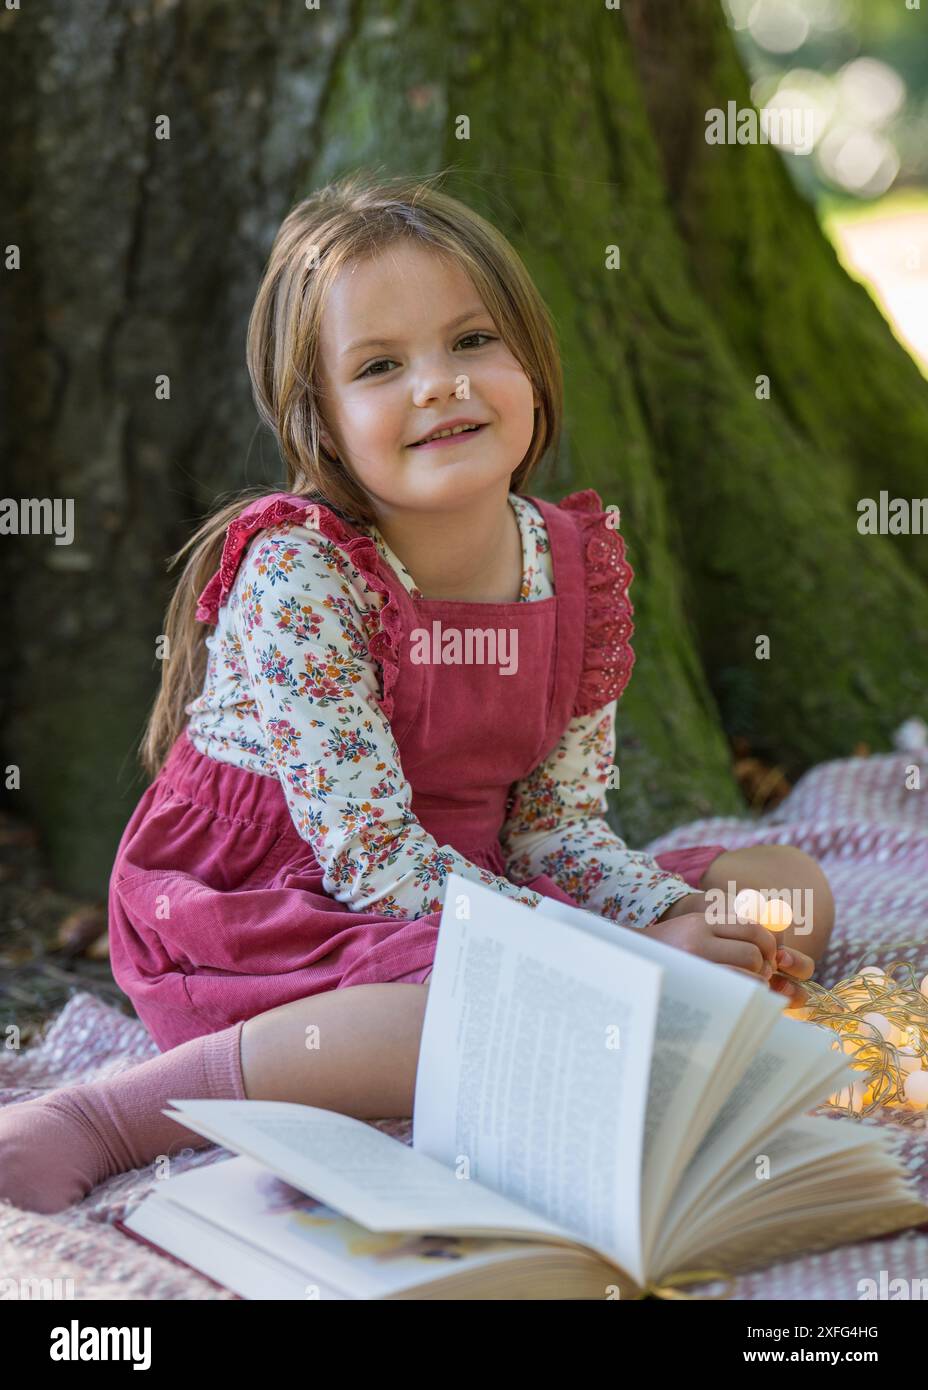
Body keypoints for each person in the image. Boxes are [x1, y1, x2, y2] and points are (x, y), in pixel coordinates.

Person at [0, 171, 834, 1214]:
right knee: (460, 1010)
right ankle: (110, 1113)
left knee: (784, 891)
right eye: (382, 364)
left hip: (471, 881)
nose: (438, 384)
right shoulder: (303, 574)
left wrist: (665, 920)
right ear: (321, 421)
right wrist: (620, 963)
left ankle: (616, 994)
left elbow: (554, 832)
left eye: (473, 341)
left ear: (532, 363)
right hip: (279, 898)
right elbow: (370, 856)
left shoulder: (571, 565)